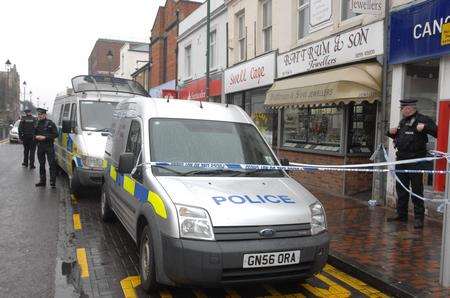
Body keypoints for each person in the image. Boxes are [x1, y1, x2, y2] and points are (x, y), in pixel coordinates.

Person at [386, 98, 437, 229]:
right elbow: (402, 138)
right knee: (401, 188)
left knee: (416, 189)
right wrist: (391, 133)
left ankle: (419, 218)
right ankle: (401, 215)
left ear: (411, 108)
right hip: (402, 159)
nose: (404, 110)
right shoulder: (403, 121)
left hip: (415, 161)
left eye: (405, 108)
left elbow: (437, 132)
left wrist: (425, 127)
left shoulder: (422, 119)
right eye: (402, 109)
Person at [34, 108, 58, 188]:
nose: (39, 116)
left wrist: (45, 137)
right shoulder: (36, 124)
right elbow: (33, 135)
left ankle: (52, 182)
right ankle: (42, 181)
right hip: (40, 146)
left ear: (45, 115)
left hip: (49, 146)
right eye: (38, 115)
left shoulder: (50, 123)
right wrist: (36, 137)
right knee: (41, 164)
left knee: (52, 164)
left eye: (41, 114)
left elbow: (56, 134)